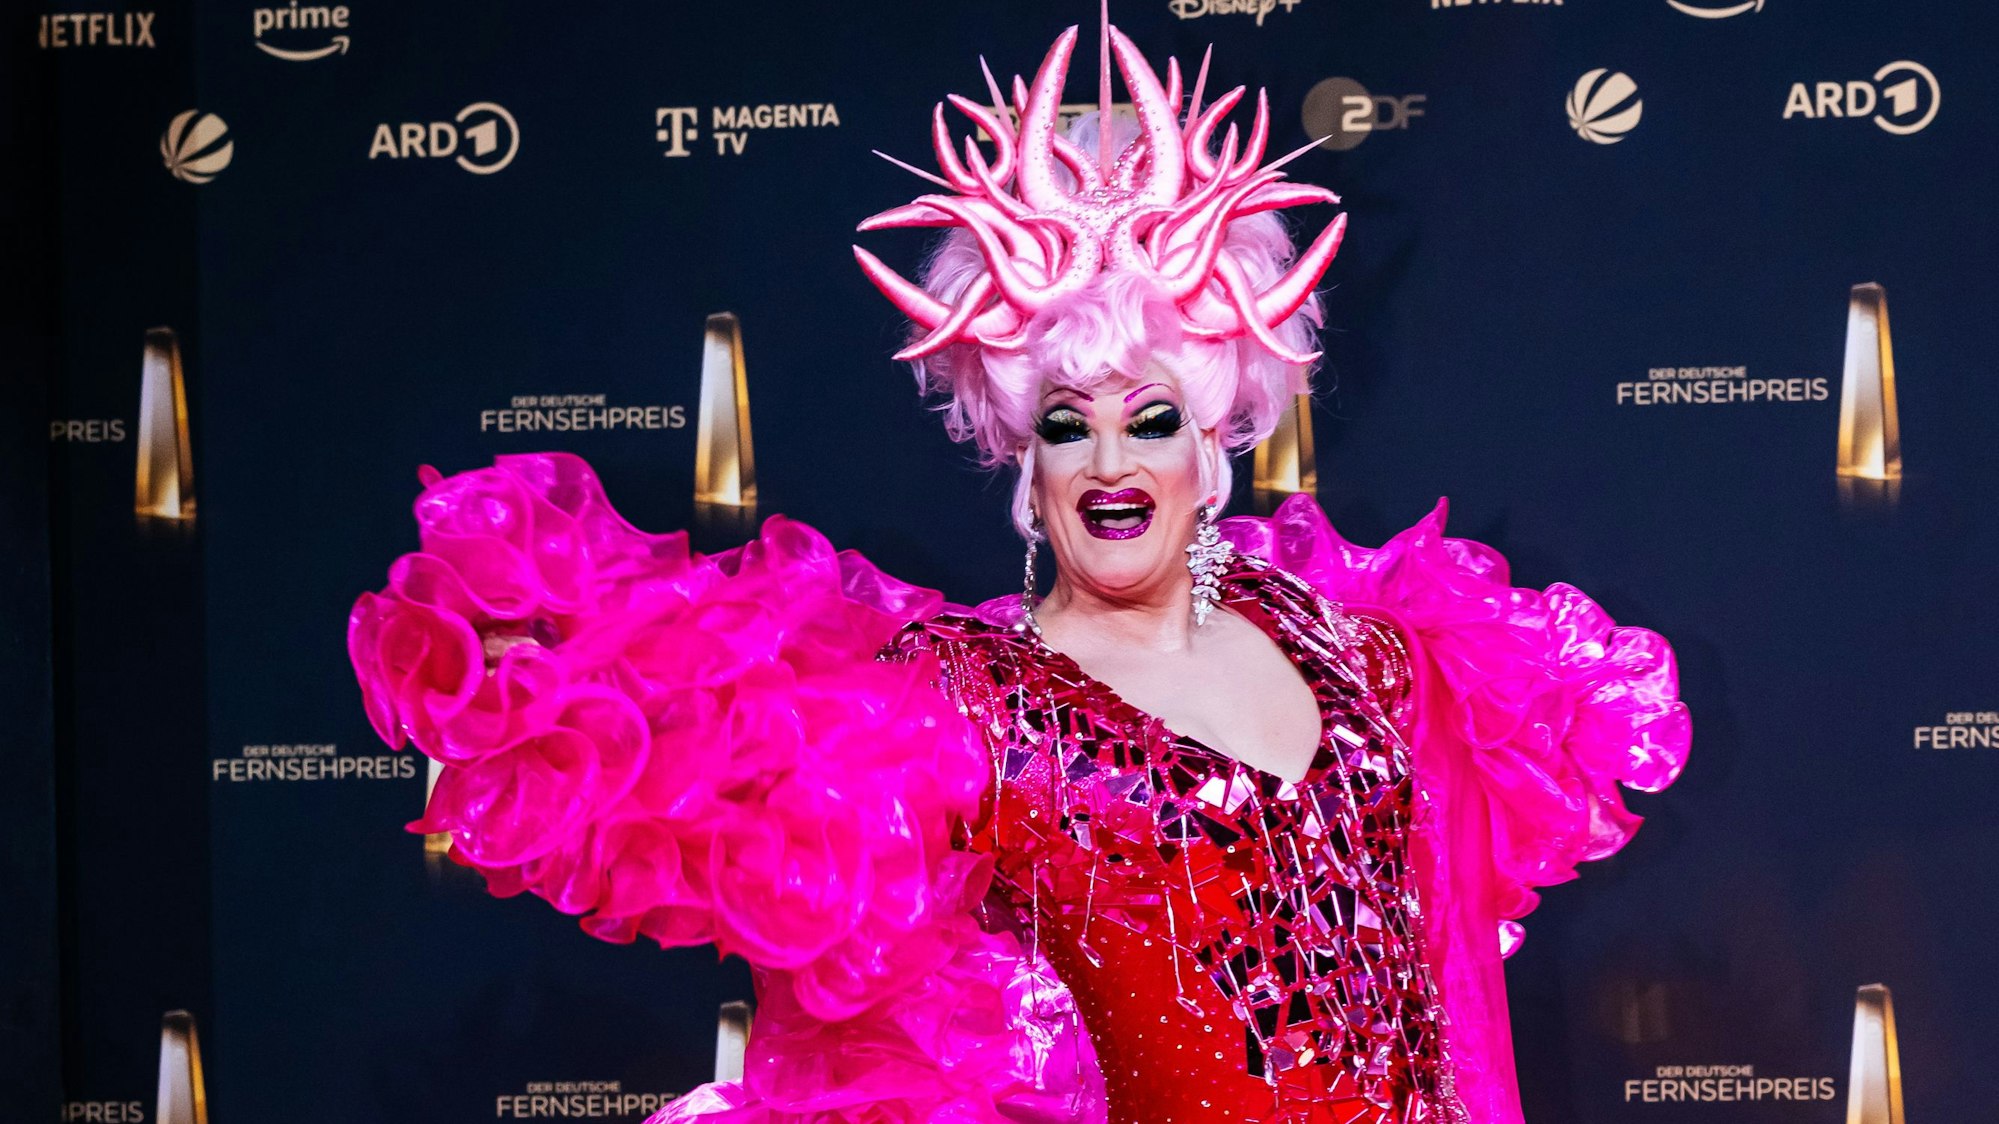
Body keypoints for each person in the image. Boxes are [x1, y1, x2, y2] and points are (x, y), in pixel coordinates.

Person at [347, 20, 1690, 1124]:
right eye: (1068, 420)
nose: (1112, 459)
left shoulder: (1376, 652)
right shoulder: (954, 707)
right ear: (1017, 450)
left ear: (1218, 432)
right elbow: (690, 754)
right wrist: (534, 684)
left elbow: (1459, 1018)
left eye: (1150, 415)